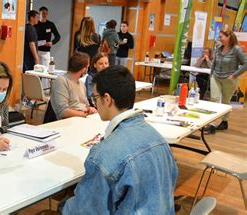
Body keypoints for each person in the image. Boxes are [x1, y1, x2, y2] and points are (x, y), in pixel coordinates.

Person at [60, 66, 178, 214]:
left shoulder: (103, 156)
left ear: (107, 99)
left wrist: (64, 206)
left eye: (95, 98)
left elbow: (85, 211)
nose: (94, 103)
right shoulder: (160, 140)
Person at [210, 30, 247, 130]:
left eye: (221, 37)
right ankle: (211, 123)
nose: (219, 39)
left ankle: (224, 122)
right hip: (216, 77)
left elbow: (246, 63)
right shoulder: (218, 48)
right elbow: (214, 63)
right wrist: (211, 75)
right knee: (214, 99)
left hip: (229, 80)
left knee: (225, 101)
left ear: (229, 37)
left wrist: (235, 75)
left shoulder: (236, 49)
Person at [50, 52, 97, 120]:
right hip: (68, 123)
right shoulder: (61, 81)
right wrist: (85, 115)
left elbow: (86, 106)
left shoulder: (81, 84)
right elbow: (63, 112)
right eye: (87, 67)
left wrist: (90, 109)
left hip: (81, 120)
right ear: (83, 69)